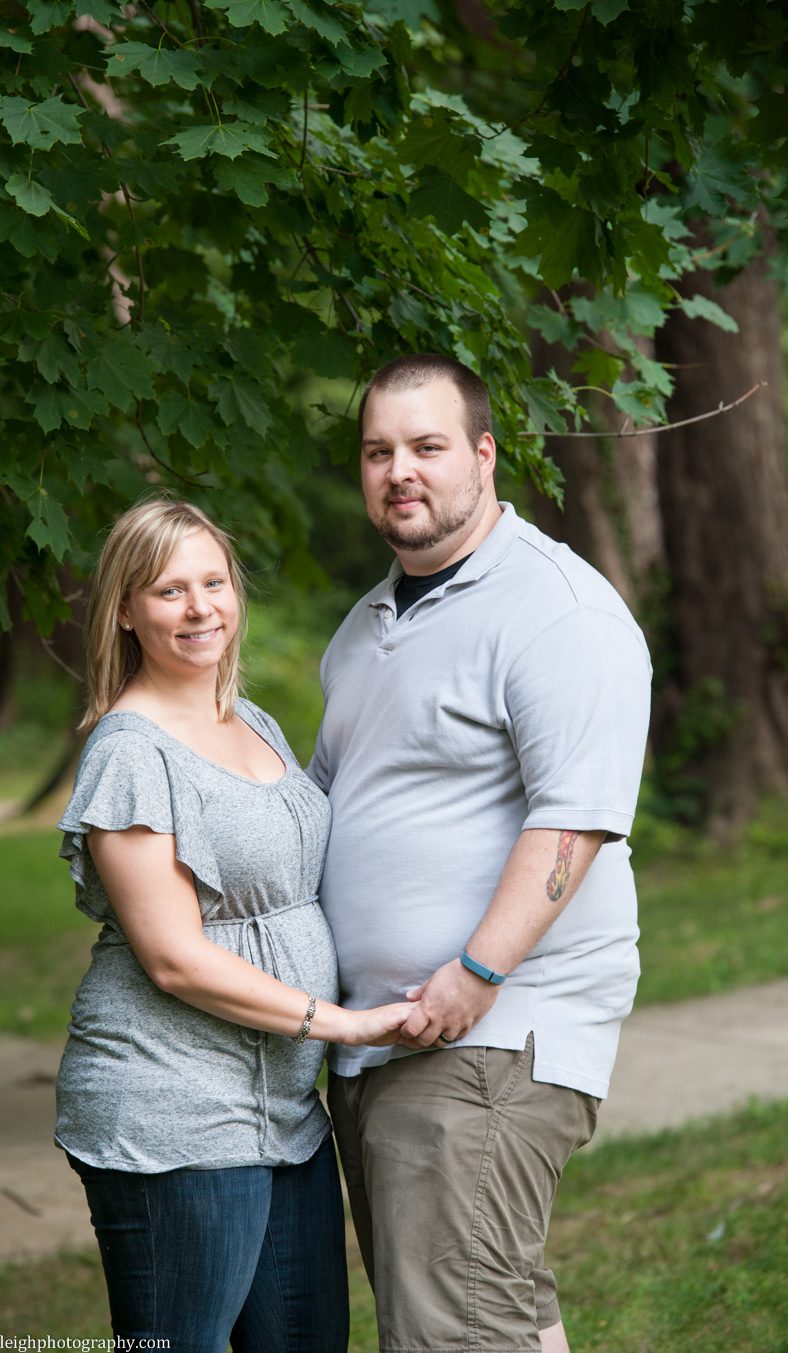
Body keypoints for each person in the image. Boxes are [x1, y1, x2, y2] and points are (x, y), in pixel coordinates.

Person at [309, 354, 652, 1353]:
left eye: (427, 447)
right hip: (386, 1038)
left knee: (451, 1327)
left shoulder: (557, 611)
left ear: (485, 454)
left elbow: (573, 820)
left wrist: (475, 973)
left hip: (489, 1036)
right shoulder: (369, 624)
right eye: (379, 452)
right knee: (494, 1310)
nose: (399, 472)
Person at [54, 495, 414, 1353]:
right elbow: (174, 958)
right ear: (128, 611)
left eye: (213, 581)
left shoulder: (251, 721)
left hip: (285, 1114)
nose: (200, 606)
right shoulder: (131, 751)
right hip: (171, 1113)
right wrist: (342, 1023)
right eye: (169, 590)